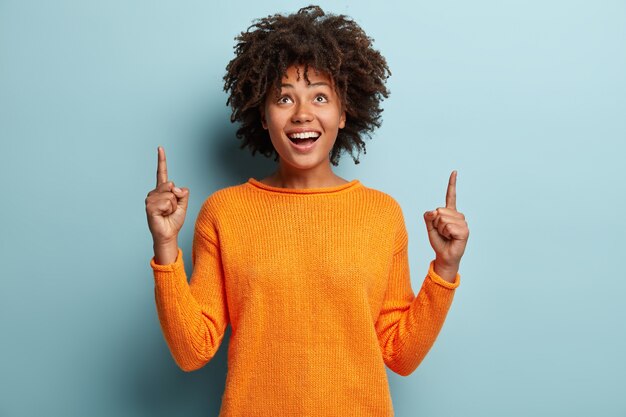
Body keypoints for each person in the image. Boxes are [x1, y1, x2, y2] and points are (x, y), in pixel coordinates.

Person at [144, 5, 469, 416]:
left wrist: (444, 269)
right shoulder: (223, 213)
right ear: (263, 115)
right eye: (284, 97)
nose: (302, 114)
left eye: (320, 96)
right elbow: (193, 351)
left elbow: (400, 354)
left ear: (343, 112)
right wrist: (165, 247)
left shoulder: (381, 215)